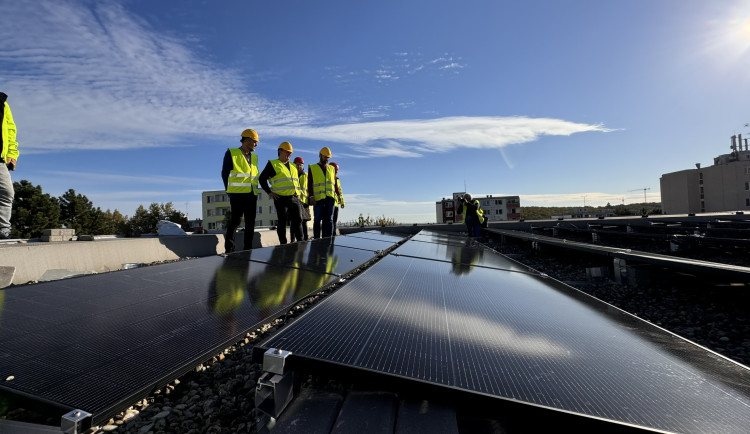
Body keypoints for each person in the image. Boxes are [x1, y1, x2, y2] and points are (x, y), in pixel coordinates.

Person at [222, 129, 259, 253]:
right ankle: (229, 248)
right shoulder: (232, 153)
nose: (256, 144)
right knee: (235, 221)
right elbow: (225, 173)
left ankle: (248, 248)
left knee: (250, 223)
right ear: (247, 140)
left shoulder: (254, 157)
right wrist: (229, 191)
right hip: (237, 194)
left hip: (251, 194)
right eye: (254, 142)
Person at [259, 141, 303, 244]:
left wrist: (298, 193)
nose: (289, 155)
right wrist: (269, 192)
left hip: (293, 197)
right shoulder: (273, 164)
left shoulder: (293, 166)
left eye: (290, 153)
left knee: (298, 219)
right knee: (282, 221)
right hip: (280, 198)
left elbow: (296, 181)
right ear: (280, 151)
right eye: (287, 152)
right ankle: (283, 244)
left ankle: (300, 242)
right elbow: (262, 179)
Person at [308, 147, 339, 239]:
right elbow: (310, 183)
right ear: (320, 155)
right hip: (318, 198)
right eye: (325, 157)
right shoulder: (313, 168)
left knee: (329, 220)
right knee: (317, 220)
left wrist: (338, 194)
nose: (327, 159)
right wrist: (311, 196)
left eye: (328, 157)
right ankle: (317, 239)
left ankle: (327, 239)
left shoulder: (331, 168)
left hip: (330, 197)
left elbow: (335, 183)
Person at [0, 92, 19, 240]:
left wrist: (12, 153)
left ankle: (3, 231)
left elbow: (10, 130)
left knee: (7, 193)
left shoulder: (2, 102)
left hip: (0, 159)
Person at [290, 156, 310, 242]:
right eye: (297, 165)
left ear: (303, 166)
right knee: (293, 222)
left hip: (304, 202)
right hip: (293, 202)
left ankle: (305, 239)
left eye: (300, 165)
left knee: (304, 221)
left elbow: (310, 188)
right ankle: (292, 240)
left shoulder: (306, 176)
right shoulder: (290, 175)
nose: (299, 166)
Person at [330, 162, 345, 231]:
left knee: (334, 221)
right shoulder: (328, 179)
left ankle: (334, 235)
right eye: (335, 170)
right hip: (329, 203)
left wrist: (342, 202)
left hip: (336, 204)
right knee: (329, 220)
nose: (336, 172)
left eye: (337, 171)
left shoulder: (337, 180)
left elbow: (340, 191)